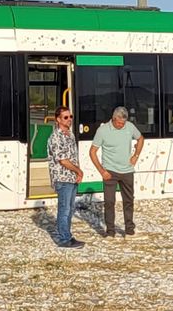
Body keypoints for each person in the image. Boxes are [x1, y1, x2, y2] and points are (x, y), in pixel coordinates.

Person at [90, 106, 143, 238]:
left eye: (123, 123)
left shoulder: (130, 127)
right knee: (109, 202)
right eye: (119, 123)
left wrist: (136, 155)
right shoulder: (102, 131)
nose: (121, 125)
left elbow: (141, 139)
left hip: (127, 171)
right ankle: (110, 231)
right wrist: (102, 171)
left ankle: (129, 230)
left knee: (129, 200)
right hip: (110, 171)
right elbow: (92, 152)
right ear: (113, 118)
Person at [46, 106, 84, 249]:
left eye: (70, 117)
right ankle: (63, 239)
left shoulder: (70, 134)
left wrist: (76, 174)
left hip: (71, 178)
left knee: (69, 208)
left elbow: (73, 157)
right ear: (58, 119)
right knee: (64, 209)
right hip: (62, 178)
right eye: (65, 117)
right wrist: (78, 171)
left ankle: (67, 235)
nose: (69, 120)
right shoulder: (56, 137)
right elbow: (63, 160)